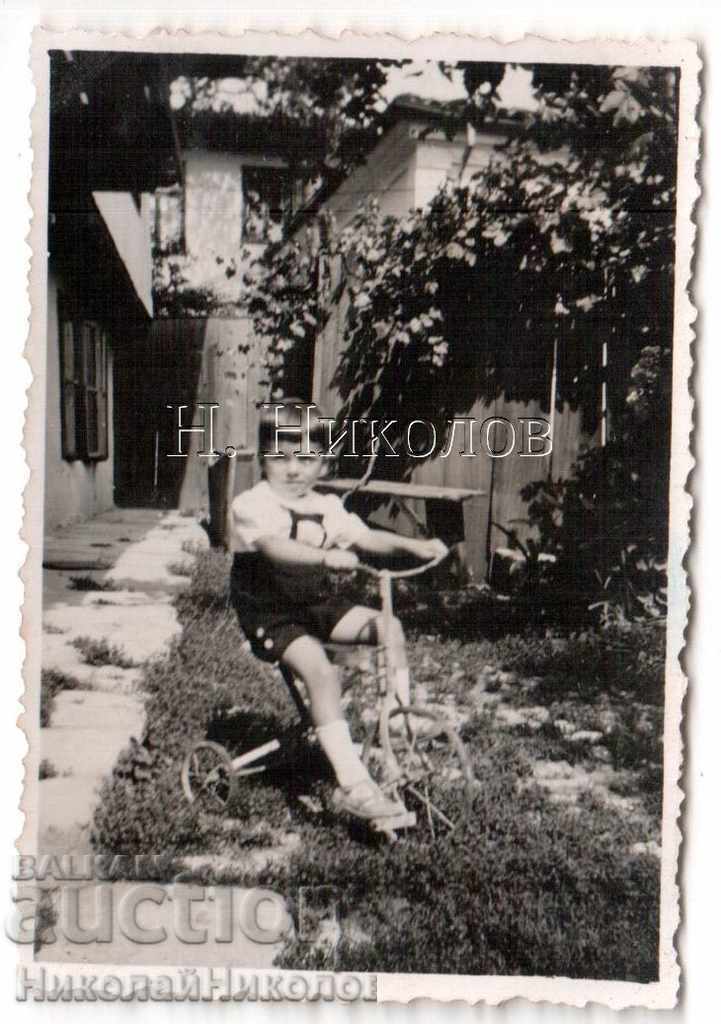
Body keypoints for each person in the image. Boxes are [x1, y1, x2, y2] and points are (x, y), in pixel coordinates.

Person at [230, 397, 448, 822]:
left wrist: (413, 544)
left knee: (389, 627)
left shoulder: (326, 506)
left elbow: (366, 538)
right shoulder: (252, 505)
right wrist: (325, 558)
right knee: (321, 673)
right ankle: (354, 784)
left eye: (307, 459)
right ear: (262, 458)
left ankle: (396, 731)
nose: (294, 470)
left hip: (316, 604)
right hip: (270, 611)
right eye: (280, 457)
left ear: (324, 464)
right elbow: (275, 549)